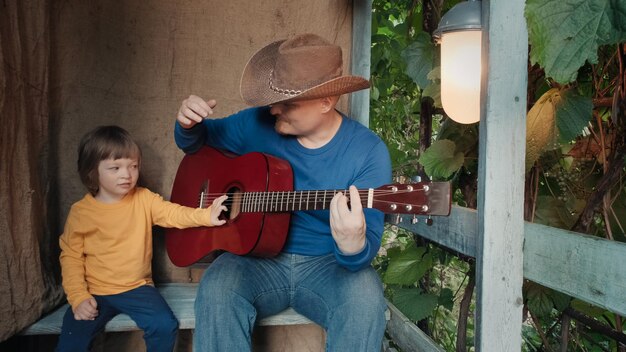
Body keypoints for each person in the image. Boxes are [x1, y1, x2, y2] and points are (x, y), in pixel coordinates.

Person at [175, 33, 392, 351]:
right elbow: (198, 142)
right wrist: (187, 123)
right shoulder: (255, 123)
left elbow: (365, 245)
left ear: (326, 102)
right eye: (275, 96)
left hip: (326, 265)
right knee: (218, 285)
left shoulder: (368, 151)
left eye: (288, 102)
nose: (274, 108)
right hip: (256, 262)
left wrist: (353, 246)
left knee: (365, 295)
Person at [56, 125, 228, 352]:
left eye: (133, 166)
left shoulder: (144, 199)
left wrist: (206, 215)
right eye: (115, 168)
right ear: (92, 171)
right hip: (94, 290)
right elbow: (71, 257)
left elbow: (173, 213)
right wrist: (79, 297)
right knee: (71, 341)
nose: (126, 174)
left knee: (164, 325)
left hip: (138, 289)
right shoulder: (81, 212)